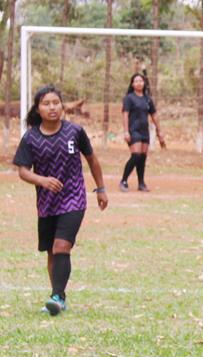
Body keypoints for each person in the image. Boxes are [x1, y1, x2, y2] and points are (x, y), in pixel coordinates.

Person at [14, 85, 109, 316]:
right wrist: (42, 180)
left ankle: (56, 297)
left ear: (62, 105)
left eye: (56, 102)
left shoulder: (75, 132)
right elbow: (23, 171)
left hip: (74, 198)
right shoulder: (31, 138)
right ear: (38, 109)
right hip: (47, 202)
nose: (52, 107)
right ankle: (60, 296)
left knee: (61, 247)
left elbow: (92, 160)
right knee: (51, 252)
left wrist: (101, 188)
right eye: (46, 104)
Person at [119, 73, 165, 192]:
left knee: (143, 157)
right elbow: (125, 114)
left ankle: (141, 183)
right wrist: (126, 131)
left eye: (141, 81)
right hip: (133, 130)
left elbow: (154, 115)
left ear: (144, 83)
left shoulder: (147, 99)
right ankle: (124, 180)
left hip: (145, 131)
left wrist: (159, 130)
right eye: (136, 81)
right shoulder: (129, 98)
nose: (139, 83)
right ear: (132, 84)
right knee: (136, 155)